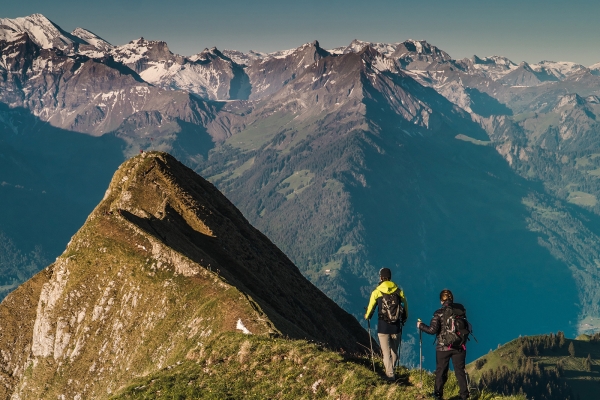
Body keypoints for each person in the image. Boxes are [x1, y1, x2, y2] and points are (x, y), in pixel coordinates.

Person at [417, 289, 469, 400]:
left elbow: (432, 330)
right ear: (452, 299)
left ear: (441, 301)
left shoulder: (439, 313)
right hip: (459, 346)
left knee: (441, 371)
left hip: (443, 347)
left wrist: (420, 325)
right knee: (460, 371)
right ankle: (464, 395)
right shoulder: (460, 310)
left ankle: (438, 394)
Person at [364, 267, 408, 381]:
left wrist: (367, 316)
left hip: (383, 326)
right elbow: (405, 306)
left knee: (385, 352)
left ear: (381, 277)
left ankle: (390, 376)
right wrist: (404, 318)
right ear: (390, 277)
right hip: (396, 326)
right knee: (394, 352)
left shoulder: (377, 291)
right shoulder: (398, 291)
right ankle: (391, 371)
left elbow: (370, 308)